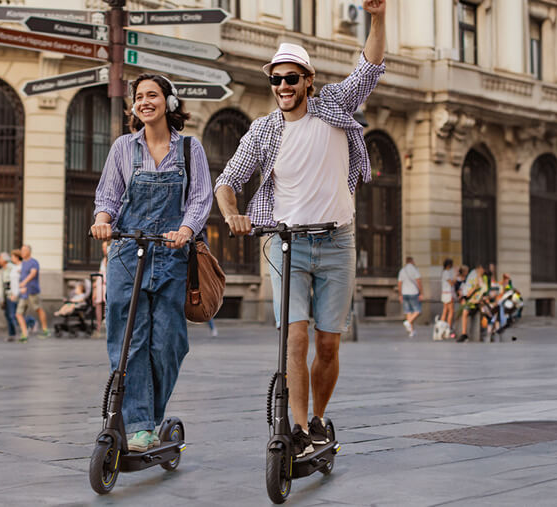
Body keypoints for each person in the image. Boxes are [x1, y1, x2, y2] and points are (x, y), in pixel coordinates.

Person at [215, 0, 387, 458]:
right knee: (295, 336)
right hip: (285, 244)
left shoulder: (333, 103)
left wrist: (377, 17)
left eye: (292, 78)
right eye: (276, 79)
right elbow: (227, 181)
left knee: (328, 345)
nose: (283, 86)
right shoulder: (264, 131)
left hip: (337, 242)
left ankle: (317, 419)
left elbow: (369, 67)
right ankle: (296, 427)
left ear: (308, 81)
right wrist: (232, 212)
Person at [91, 73, 212, 452]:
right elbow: (108, 196)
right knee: (129, 342)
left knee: (168, 343)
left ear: (168, 102)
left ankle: (151, 415)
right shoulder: (123, 148)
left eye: (152, 95)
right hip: (128, 254)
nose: (145, 102)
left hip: (173, 254)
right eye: (139, 97)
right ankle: (140, 423)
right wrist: (102, 221)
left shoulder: (191, 149)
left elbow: (200, 198)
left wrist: (187, 229)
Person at [16, 244, 50, 340]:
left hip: (32, 291)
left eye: (24, 250)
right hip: (24, 293)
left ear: (29, 252)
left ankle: (45, 330)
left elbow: (33, 273)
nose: (22, 252)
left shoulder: (33, 262)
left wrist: (24, 283)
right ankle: (24, 334)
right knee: (19, 313)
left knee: (38, 309)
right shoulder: (22, 263)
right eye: (21, 250)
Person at [8, 249, 36, 342]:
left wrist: (21, 290)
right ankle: (25, 331)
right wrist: (12, 293)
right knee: (16, 315)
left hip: (21, 294)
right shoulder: (14, 267)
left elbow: (25, 280)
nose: (11, 258)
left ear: (16, 257)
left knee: (16, 315)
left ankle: (31, 322)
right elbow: (14, 283)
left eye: (12, 256)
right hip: (14, 294)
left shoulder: (22, 267)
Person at [457, 264, 485, 342]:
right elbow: (468, 292)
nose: (482, 271)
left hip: (478, 302)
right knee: (464, 311)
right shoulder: (473, 276)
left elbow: (483, 290)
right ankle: (463, 333)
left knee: (467, 311)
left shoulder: (483, 278)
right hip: (472, 301)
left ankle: (485, 332)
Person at [397, 256, 423, 337]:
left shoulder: (402, 270)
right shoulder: (415, 270)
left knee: (408, 311)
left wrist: (400, 294)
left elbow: (399, 283)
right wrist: (421, 292)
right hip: (413, 292)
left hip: (404, 292)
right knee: (418, 310)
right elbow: (418, 281)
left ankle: (411, 331)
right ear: (412, 261)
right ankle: (408, 322)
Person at [0, 252, 16, 342]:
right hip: (5, 295)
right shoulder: (2, 270)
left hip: (12, 295)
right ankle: (11, 334)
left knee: (13, 315)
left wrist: (14, 293)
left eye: (0, 258)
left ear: (4, 260)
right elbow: (1, 286)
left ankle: (30, 323)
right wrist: (1, 299)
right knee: (8, 315)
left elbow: (15, 281)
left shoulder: (12, 268)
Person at [92, 240, 109, 338]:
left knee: (107, 302)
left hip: (107, 283)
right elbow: (100, 273)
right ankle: (99, 325)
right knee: (98, 303)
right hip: (100, 283)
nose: (103, 249)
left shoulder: (111, 258)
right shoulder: (103, 260)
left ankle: (106, 322)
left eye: (105, 247)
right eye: (102, 248)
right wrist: (94, 287)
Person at [440, 258, 455, 334]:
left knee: (445, 311)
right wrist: (455, 278)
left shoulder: (444, 272)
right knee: (451, 311)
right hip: (448, 293)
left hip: (444, 293)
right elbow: (451, 283)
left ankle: (441, 327)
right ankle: (448, 327)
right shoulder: (447, 273)